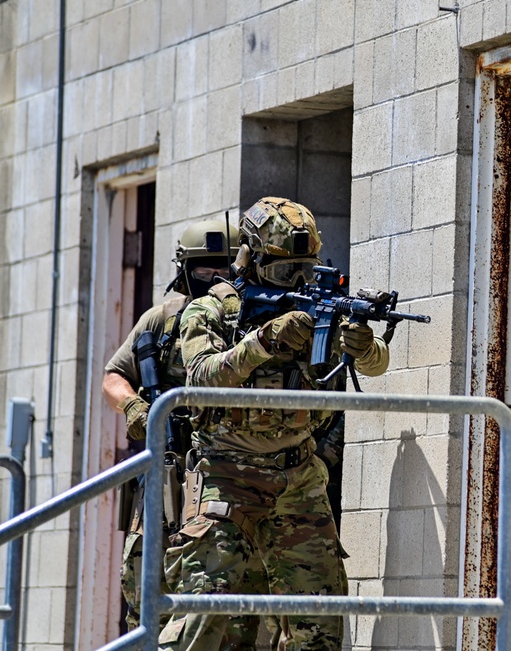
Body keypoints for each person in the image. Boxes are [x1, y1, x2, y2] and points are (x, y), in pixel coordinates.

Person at [159, 197, 389, 651]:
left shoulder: (321, 309)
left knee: (319, 618)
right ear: (252, 258)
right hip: (226, 474)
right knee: (204, 611)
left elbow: (378, 365)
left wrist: (362, 345)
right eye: (287, 273)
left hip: (298, 477)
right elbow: (202, 376)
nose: (300, 282)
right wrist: (264, 340)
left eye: (307, 269)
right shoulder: (210, 311)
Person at [103, 218, 267, 647]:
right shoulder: (161, 320)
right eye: (204, 269)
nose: (215, 278)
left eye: (224, 268)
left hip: (225, 477)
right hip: (169, 475)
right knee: (142, 583)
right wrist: (137, 406)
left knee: (222, 598)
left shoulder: (250, 317)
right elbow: (114, 376)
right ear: (184, 268)